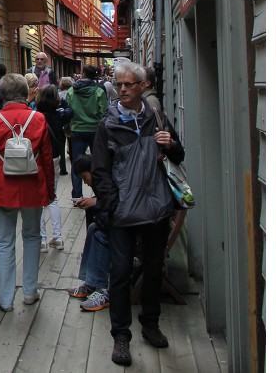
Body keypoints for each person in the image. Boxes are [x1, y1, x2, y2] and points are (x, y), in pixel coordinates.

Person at [92, 61, 185, 366]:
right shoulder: (107, 125)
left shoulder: (156, 117)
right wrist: (112, 204)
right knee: (119, 275)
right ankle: (121, 336)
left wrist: (169, 144)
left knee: (154, 269)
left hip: (156, 207)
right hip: (123, 212)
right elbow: (100, 170)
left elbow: (179, 154)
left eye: (128, 85)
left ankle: (150, 324)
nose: (121, 90)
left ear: (142, 86)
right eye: (118, 85)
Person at [0, 74, 56, 313]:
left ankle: (5, 298)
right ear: (26, 92)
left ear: (2, 94)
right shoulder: (38, 118)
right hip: (33, 185)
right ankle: (30, 292)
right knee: (32, 238)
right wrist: (50, 190)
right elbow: (47, 158)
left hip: (4, 185)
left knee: (3, 241)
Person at [69, 154, 111, 313]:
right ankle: (91, 282)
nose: (85, 181)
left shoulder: (109, 178)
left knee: (100, 233)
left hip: (126, 227)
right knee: (94, 228)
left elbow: (118, 202)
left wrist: (96, 202)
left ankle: (102, 288)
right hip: (121, 222)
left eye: (85, 177)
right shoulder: (105, 179)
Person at [69, 65, 108, 201]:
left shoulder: (71, 91)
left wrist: (68, 128)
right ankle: (99, 192)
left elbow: (68, 112)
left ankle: (76, 195)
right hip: (95, 129)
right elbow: (104, 112)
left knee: (76, 162)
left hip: (77, 129)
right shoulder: (99, 91)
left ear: (83, 74)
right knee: (98, 161)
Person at [34, 85, 65, 253]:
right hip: (55, 157)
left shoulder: (36, 116)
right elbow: (70, 111)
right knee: (53, 197)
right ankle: (58, 237)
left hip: (39, 158)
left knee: (39, 198)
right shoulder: (60, 115)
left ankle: (42, 240)